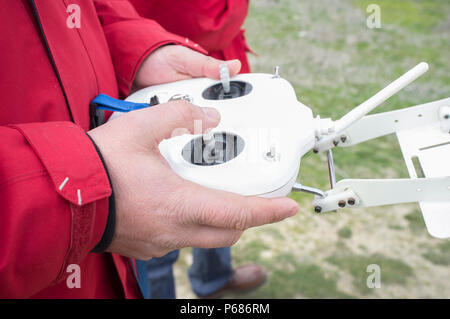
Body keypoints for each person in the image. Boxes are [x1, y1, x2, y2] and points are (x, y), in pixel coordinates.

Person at [0, 0, 298, 298]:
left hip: (113, 206)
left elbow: (81, 11)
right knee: (164, 247)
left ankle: (213, 277)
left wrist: (137, 50)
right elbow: (211, 17)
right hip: (58, 260)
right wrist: (87, 202)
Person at [129, 0, 266, 299]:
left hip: (215, 73)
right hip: (172, 79)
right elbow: (209, 18)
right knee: (161, 208)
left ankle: (213, 277)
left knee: (224, 184)